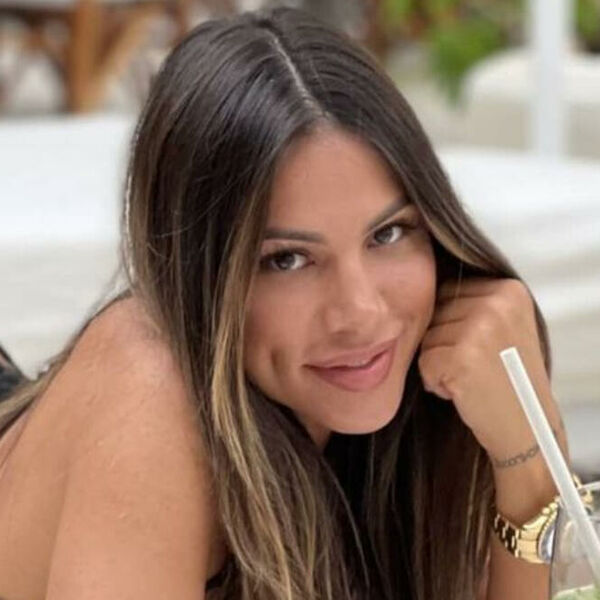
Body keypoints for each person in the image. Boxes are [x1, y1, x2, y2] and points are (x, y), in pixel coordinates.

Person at [0, 7, 570, 600]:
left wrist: (528, 455)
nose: (361, 313)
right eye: (287, 260)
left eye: (388, 233)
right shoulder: (151, 399)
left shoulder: (428, 404)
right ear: (197, 277)